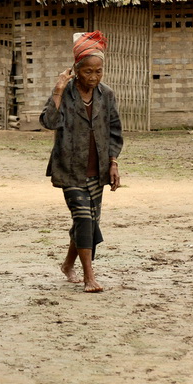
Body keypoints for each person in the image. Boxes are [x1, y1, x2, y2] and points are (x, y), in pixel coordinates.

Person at [40, 31, 123, 292]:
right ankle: (90, 277)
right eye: (88, 71)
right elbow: (48, 122)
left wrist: (113, 162)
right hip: (70, 170)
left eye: (99, 71)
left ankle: (67, 265)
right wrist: (57, 90)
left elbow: (114, 130)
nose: (94, 77)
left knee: (87, 222)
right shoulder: (64, 94)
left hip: (97, 171)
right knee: (85, 219)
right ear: (77, 71)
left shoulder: (105, 95)